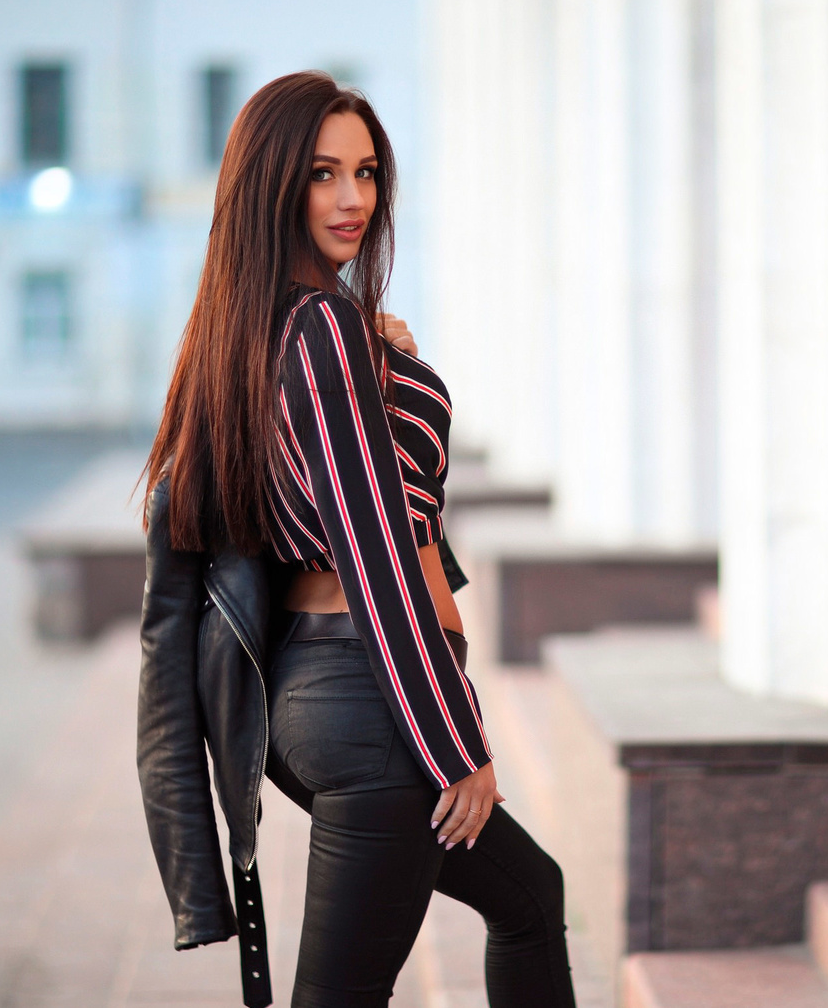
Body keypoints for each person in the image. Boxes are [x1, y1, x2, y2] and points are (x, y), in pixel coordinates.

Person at [136, 70, 576, 1008]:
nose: (352, 199)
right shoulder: (320, 331)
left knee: (531, 894)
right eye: (323, 174)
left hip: (319, 696)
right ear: (273, 185)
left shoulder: (255, 331)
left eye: (367, 172)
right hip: (375, 709)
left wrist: (375, 354)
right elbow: (375, 554)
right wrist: (457, 738)